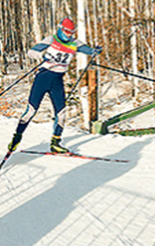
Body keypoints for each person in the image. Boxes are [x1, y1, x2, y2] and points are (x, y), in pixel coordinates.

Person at [6, 17, 102, 154]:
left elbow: (90, 51)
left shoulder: (75, 43)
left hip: (57, 80)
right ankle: (17, 138)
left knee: (62, 113)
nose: (69, 34)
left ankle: (56, 143)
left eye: (71, 32)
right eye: (67, 31)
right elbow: (31, 52)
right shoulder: (51, 40)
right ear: (61, 28)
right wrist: (42, 55)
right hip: (43, 77)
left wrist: (96, 51)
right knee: (31, 111)